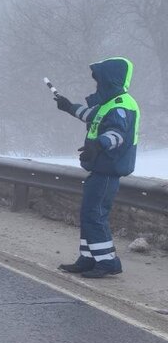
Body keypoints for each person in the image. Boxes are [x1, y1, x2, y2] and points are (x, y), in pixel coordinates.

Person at [53, 57, 140, 278]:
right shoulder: (109, 103)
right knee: (88, 214)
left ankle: (108, 262)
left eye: (100, 79)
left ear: (110, 79)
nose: (97, 84)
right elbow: (91, 115)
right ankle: (88, 258)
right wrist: (68, 106)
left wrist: (98, 145)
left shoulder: (122, 105)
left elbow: (117, 134)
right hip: (101, 169)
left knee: (95, 215)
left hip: (108, 171)